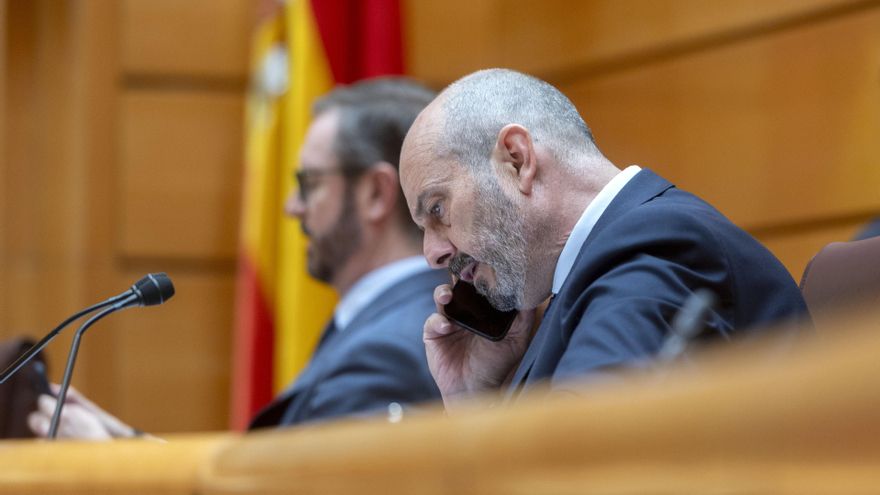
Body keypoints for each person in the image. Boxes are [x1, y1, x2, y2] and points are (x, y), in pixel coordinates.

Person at [28, 78, 444, 438]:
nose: (291, 207)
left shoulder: (389, 348)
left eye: (308, 183)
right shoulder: (398, 323)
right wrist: (129, 449)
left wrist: (112, 472)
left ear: (375, 193)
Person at [398, 68, 810, 411]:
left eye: (437, 209)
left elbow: (581, 464)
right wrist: (476, 404)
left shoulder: (656, 247)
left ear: (517, 159)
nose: (434, 253)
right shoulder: (592, 271)